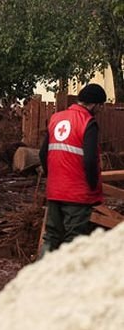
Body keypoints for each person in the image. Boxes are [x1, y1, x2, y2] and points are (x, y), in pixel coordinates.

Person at [37, 83, 107, 258]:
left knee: (51, 237)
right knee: (73, 241)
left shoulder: (56, 118)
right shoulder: (88, 122)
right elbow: (90, 160)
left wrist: (51, 176)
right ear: (95, 104)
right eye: (100, 106)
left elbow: (42, 153)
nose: (100, 110)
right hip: (78, 193)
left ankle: (37, 280)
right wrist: (92, 186)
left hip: (55, 190)